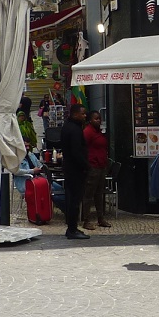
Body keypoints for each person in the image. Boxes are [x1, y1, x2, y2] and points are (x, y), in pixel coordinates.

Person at [60, 103, 89, 240]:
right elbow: (76, 151)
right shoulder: (74, 129)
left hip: (70, 168)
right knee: (74, 200)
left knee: (73, 199)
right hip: (75, 170)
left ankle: (72, 227)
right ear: (75, 114)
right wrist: (85, 166)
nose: (85, 116)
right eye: (82, 114)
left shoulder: (68, 126)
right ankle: (72, 229)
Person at [82, 110, 111, 230]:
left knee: (99, 194)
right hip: (92, 166)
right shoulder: (88, 132)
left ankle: (101, 218)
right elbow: (83, 148)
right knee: (88, 195)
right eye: (96, 118)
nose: (98, 120)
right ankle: (86, 220)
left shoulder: (99, 132)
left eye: (99, 118)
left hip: (101, 166)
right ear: (90, 120)